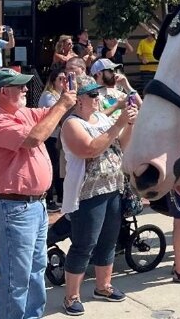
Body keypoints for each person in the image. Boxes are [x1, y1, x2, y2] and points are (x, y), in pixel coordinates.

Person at [0, 68, 76, 319]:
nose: (25, 90)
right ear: (2, 92)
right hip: (13, 208)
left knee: (34, 271)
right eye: (20, 86)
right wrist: (62, 104)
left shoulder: (21, 112)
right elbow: (35, 137)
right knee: (16, 279)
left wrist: (70, 96)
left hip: (33, 207)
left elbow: (52, 116)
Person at [60, 75, 137, 315]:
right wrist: (118, 124)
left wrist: (129, 125)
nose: (98, 98)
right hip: (87, 192)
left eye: (98, 94)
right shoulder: (72, 124)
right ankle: (71, 296)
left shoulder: (102, 117)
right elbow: (88, 149)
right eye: (93, 95)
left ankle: (103, 286)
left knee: (109, 241)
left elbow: (121, 145)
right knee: (84, 244)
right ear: (79, 100)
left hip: (112, 186)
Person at [38, 68, 68, 213]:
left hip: (60, 136)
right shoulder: (49, 96)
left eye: (65, 79)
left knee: (60, 168)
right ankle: (49, 199)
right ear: (53, 81)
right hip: (51, 136)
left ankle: (60, 197)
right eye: (60, 79)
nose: (63, 82)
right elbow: (58, 115)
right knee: (53, 168)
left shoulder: (61, 95)